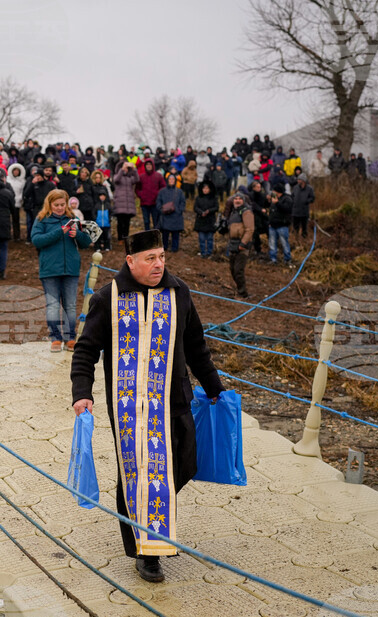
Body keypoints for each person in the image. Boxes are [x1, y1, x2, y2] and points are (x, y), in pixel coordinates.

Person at [69, 228, 224, 583]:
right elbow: (86, 350)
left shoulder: (178, 292)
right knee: (138, 473)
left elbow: (196, 344)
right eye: (150, 258)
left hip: (174, 399)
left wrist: (214, 388)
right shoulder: (108, 298)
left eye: (162, 257)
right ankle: (146, 551)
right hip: (129, 409)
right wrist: (82, 392)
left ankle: (153, 513)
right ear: (130, 261)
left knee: (181, 464)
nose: (158, 264)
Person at [31, 189, 92, 352]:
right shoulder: (42, 219)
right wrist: (60, 232)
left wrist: (77, 234)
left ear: (67, 204)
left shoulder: (74, 218)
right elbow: (36, 240)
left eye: (62, 204)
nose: (59, 207)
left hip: (70, 268)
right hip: (49, 269)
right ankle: (55, 339)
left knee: (70, 306)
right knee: (52, 305)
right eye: (56, 205)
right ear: (49, 204)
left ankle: (70, 338)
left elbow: (87, 242)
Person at [226, 191, 255, 298]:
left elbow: (250, 229)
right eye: (235, 199)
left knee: (238, 270)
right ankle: (239, 289)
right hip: (233, 243)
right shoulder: (234, 212)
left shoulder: (246, 212)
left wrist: (243, 243)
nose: (237, 201)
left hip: (242, 245)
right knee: (233, 270)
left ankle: (243, 294)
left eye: (239, 199)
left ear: (243, 201)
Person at [155, 173, 186, 252]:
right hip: (165, 215)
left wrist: (179, 210)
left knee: (175, 233)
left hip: (176, 215)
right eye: (170, 179)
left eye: (173, 179)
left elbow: (183, 202)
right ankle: (164, 247)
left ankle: (174, 248)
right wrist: (161, 210)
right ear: (167, 180)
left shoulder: (179, 192)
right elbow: (158, 202)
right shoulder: (162, 191)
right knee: (165, 233)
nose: (171, 181)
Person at [113, 160, 140, 240]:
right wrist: (122, 169)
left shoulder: (130, 178)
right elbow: (116, 180)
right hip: (120, 204)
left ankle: (126, 237)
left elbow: (137, 179)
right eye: (124, 168)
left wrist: (134, 169)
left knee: (127, 222)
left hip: (128, 204)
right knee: (120, 222)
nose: (125, 169)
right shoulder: (117, 176)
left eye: (127, 168)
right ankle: (120, 238)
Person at [137, 159, 166, 230]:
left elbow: (163, 187)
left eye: (150, 165)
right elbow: (137, 188)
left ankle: (155, 237)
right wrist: (141, 195)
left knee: (156, 221)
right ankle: (147, 237)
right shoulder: (141, 177)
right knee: (146, 221)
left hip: (155, 203)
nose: (148, 166)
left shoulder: (158, 176)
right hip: (144, 203)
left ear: (152, 166)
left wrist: (158, 195)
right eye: (147, 165)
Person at [193, 181, 219, 259]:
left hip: (210, 220)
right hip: (201, 220)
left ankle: (209, 252)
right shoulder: (198, 198)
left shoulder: (214, 198)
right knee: (201, 238)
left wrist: (209, 211)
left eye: (207, 188)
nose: (205, 190)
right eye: (204, 188)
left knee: (210, 238)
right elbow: (195, 207)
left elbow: (217, 208)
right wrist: (201, 212)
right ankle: (203, 252)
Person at [268, 188, 294, 265]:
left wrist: (277, 203)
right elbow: (271, 211)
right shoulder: (273, 198)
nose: (272, 193)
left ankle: (287, 259)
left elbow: (287, 209)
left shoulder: (287, 199)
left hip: (282, 225)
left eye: (273, 191)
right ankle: (273, 259)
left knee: (284, 243)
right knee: (272, 244)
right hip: (272, 225)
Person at [290, 174, 315, 238]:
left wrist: (306, 201)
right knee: (295, 228)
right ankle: (296, 240)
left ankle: (304, 240)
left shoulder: (310, 189)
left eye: (299, 180)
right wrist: (293, 202)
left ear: (303, 181)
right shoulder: (295, 187)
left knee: (304, 228)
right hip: (295, 212)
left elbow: (312, 198)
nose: (298, 181)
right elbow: (292, 196)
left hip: (304, 212)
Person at [7, 163, 26, 241]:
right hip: (8, 202)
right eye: (14, 170)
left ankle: (16, 236)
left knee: (16, 220)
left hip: (17, 202)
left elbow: (22, 191)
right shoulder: (7, 179)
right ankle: (7, 235)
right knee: (7, 220)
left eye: (17, 171)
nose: (16, 172)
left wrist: (20, 198)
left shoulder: (22, 181)